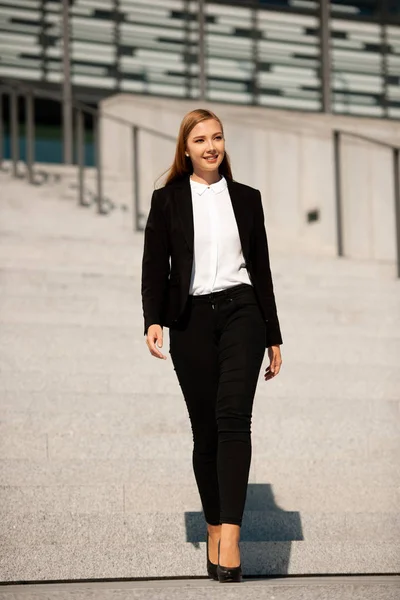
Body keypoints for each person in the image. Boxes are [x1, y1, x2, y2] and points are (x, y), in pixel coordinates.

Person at [141, 108, 283, 583]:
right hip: (191, 318)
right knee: (205, 431)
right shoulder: (167, 201)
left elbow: (261, 269)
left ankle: (231, 536)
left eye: (217, 137)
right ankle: (214, 524)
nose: (210, 146)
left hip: (243, 312)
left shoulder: (247, 198)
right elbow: (153, 267)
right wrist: (153, 320)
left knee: (233, 418)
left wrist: (274, 334)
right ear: (186, 149)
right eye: (200, 139)